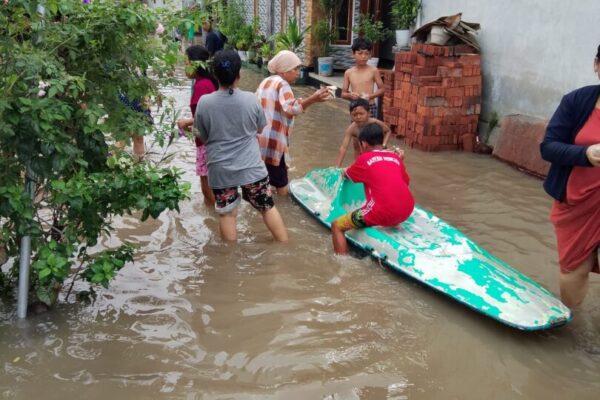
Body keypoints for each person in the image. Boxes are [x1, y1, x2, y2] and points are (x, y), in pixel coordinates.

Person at [194, 50, 288, 242]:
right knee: (267, 207)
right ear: (239, 74)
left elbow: (201, 136)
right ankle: (285, 244)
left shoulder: (204, 102)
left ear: (214, 74)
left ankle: (229, 261)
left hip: (221, 169)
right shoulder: (251, 99)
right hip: (251, 166)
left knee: (227, 214)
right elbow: (260, 127)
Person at [540, 44, 600, 310]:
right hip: (576, 202)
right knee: (574, 269)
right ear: (597, 64)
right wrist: (585, 154)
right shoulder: (576, 101)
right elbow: (548, 146)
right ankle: (571, 329)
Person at [331, 123, 414, 255]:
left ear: (363, 144)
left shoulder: (364, 159)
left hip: (383, 212)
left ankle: (341, 262)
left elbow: (348, 174)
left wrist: (343, 171)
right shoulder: (395, 158)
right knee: (389, 196)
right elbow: (405, 182)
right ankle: (395, 223)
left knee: (336, 225)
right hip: (408, 209)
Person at [256, 50, 331, 195]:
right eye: (295, 69)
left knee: (264, 178)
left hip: (260, 139)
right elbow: (290, 109)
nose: (298, 72)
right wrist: (313, 99)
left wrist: (309, 100)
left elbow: (283, 104)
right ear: (284, 70)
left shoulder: (266, 81)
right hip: (274, 140)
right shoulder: (282, 84)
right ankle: (283, 211)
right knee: (281, 182)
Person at [176, 45, 218, 207]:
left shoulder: (202, 86)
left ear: (195, 64)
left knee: (208, 190)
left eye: (186, 63)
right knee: (214, 188)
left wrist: (186, 124)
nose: (184, 67)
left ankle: (218, 221)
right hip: (213, 142)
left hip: (207, 144)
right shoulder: (208, 82)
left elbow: (207, 119)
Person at [335, 98, 392, 167]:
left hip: (373, 146)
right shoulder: (352, 129)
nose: (358, 117)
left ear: (369, 113)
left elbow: (388, 131)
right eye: (354, 115)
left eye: (361, 114)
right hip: (359, 148)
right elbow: (343, 148)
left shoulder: (374, 122)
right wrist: (337, 167)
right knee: (357, 154)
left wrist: (384, 145)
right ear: (350, 115)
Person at [341, 38, 385, 119]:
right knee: (356, 130)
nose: (364, 56)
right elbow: (343, 94)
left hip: (370, 106)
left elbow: (382, 89)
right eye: (360, 53)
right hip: (355, 106)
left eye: (366, 53)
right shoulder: (348, 72)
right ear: (353, 54)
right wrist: (350, 95)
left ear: (370, 55)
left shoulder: (374, 70)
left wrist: (370, 96)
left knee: (370, 130)